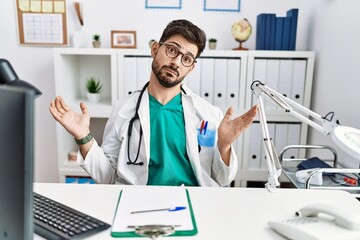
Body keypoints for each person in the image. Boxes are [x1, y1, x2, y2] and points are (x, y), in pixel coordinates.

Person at [50, 19, 257, 187]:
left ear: (191, 68)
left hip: (193, 203)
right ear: (155, 49)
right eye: (172, 50)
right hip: (138, 205)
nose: (176, 62)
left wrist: (224, 146)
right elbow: (107, 177)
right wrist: (83, 137)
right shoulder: (124, 110)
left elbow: (221, 180)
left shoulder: (209, 114)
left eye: (186, 59)